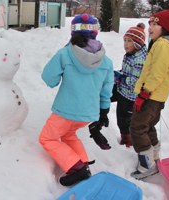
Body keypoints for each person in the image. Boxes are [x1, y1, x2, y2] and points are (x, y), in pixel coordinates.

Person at [39, 14, 114, 186]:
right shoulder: (106, 61)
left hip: (66, 110)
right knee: (68, 134)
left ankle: (76, 167)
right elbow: (106, 91)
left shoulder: (65, 53)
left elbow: (49, 79)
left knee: (47, 138)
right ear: (95, 33)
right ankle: (83, 162)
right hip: (89, 114)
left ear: (73, 31)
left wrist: (62, 57)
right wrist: (103, 113)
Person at [130, 7, 169, 180]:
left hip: (150, 96)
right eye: (150, 23)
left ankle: (146, 166)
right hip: (156, 97)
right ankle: (154, 156)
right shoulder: (162, 44)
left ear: (165, 27)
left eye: (155, 24)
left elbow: (157, 73)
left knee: (137, 128)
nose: (150, 27)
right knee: (148, 126)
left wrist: (144, 94)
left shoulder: (163, 45)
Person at [113, 23, 147, 147]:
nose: (125, 44)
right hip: (123, 90)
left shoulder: (139, 60)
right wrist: (118, 74)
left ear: (137, 43)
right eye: (125, 40)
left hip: (130, 96)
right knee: (105, 95)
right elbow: (127, 72)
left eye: (129, 41)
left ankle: (128, 139)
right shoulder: (132, 54)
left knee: (124, 119)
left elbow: (135, 82)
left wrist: (120, 78)